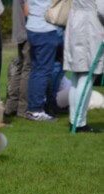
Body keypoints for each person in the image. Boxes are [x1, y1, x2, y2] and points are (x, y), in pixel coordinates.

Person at [63, 0, 104, 133]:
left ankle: (74, 120)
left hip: (76, 24)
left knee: (77, 75)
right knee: (86, 75)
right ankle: (79, 122)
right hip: (90, 27)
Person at [24, 0, 61, 122]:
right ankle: (36, 109)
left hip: (33, 25)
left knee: (37, 70)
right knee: (42, 71)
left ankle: (34, 107)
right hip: (45, 28)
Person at [4, 0, 30, 118]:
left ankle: (11, 106)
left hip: (19, 30)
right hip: (27, 30)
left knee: (18, 66)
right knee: (27, 68)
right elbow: (27, 11)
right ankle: (23, 108)